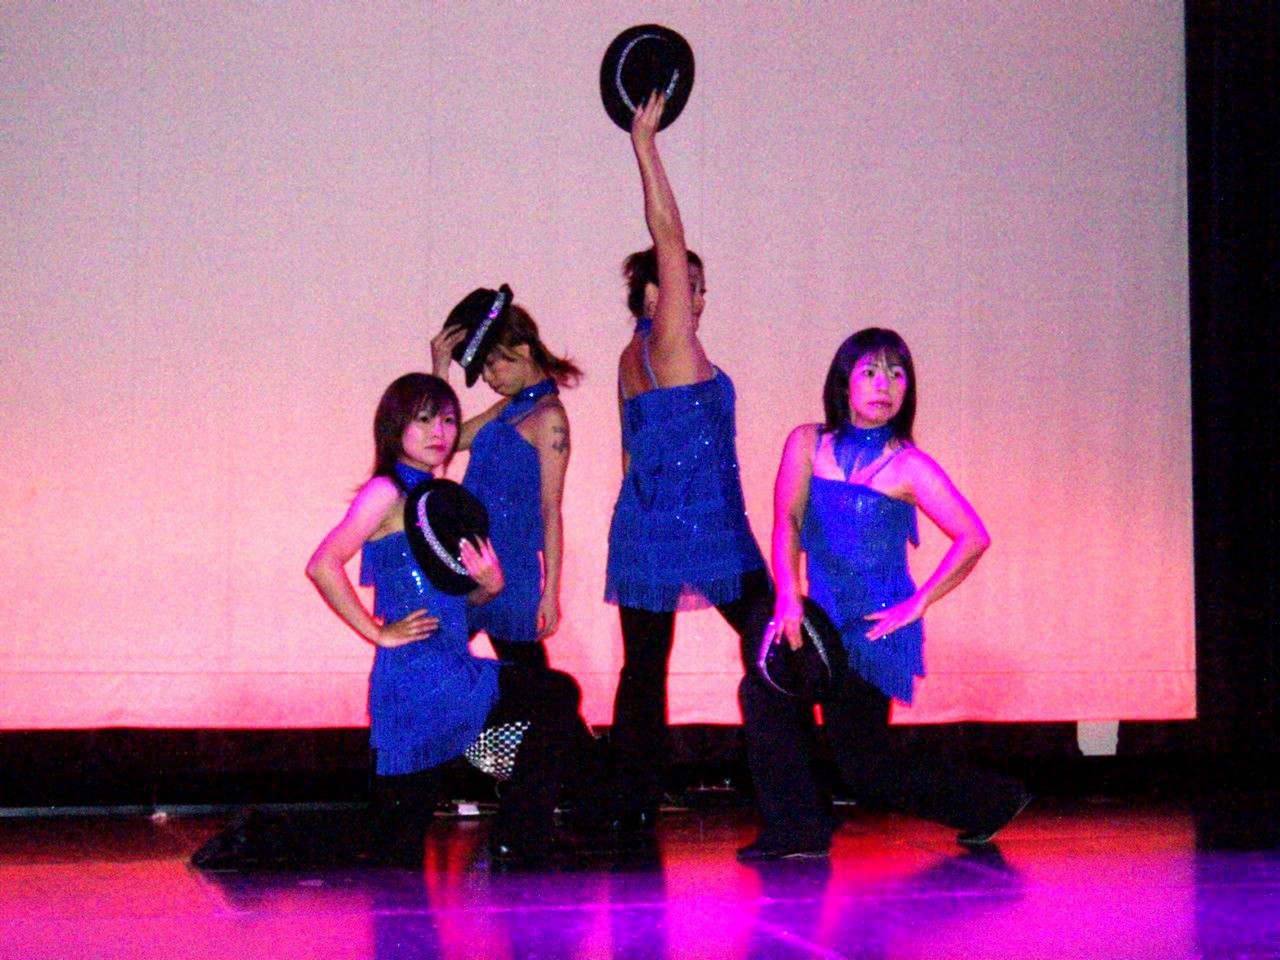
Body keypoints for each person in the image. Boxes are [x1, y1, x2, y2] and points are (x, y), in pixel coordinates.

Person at [737, 328, 1030, 861]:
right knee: (763, 692)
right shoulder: (807, 442)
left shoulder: (908, 464)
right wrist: (788, 596)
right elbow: (788, 519)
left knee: (865, 770)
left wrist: (919, 603)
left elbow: (973, 536)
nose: (884, 385)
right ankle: (798, 829)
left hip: (875, 628)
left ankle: (993, 800)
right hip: (817, 616)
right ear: (844, 382)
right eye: (870, 372)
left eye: (897, 374)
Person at [306, 373, 593, 864]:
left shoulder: (438, 497)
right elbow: (322, 564)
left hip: (453, 672)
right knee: (391, 847)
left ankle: (520, 834)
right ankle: (516, 834)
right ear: (395, 426)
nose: (439, 431)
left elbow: (452, 605)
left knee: (554, 694)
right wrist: (377, 632)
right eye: (423, 420)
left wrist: (489, 587)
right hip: (416, 682)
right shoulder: (386, 491)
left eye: (446, 420)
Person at [603, 93, 770, 832]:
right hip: (705, 529)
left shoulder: (630, 358)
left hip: (647, 527)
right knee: (780, 643)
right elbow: (667, 231)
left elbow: (633, 450)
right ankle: (792, 788)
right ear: (653, 294)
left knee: (644, 672)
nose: (695, 297)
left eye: (699, 288)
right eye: (683, 284)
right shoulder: (667, 340)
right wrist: (646, 144)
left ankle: (629, 803)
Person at [431, 305, 582, 669]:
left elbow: (550, 509)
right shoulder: (508, 408)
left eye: (492, 364)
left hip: (511, 568)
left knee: (529, 680)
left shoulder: (549, 418)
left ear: (524, 350)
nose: (487, 378)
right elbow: (445, 442)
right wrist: (440, 372)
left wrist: (551, 591)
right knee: (438, 664)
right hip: (471, 560)